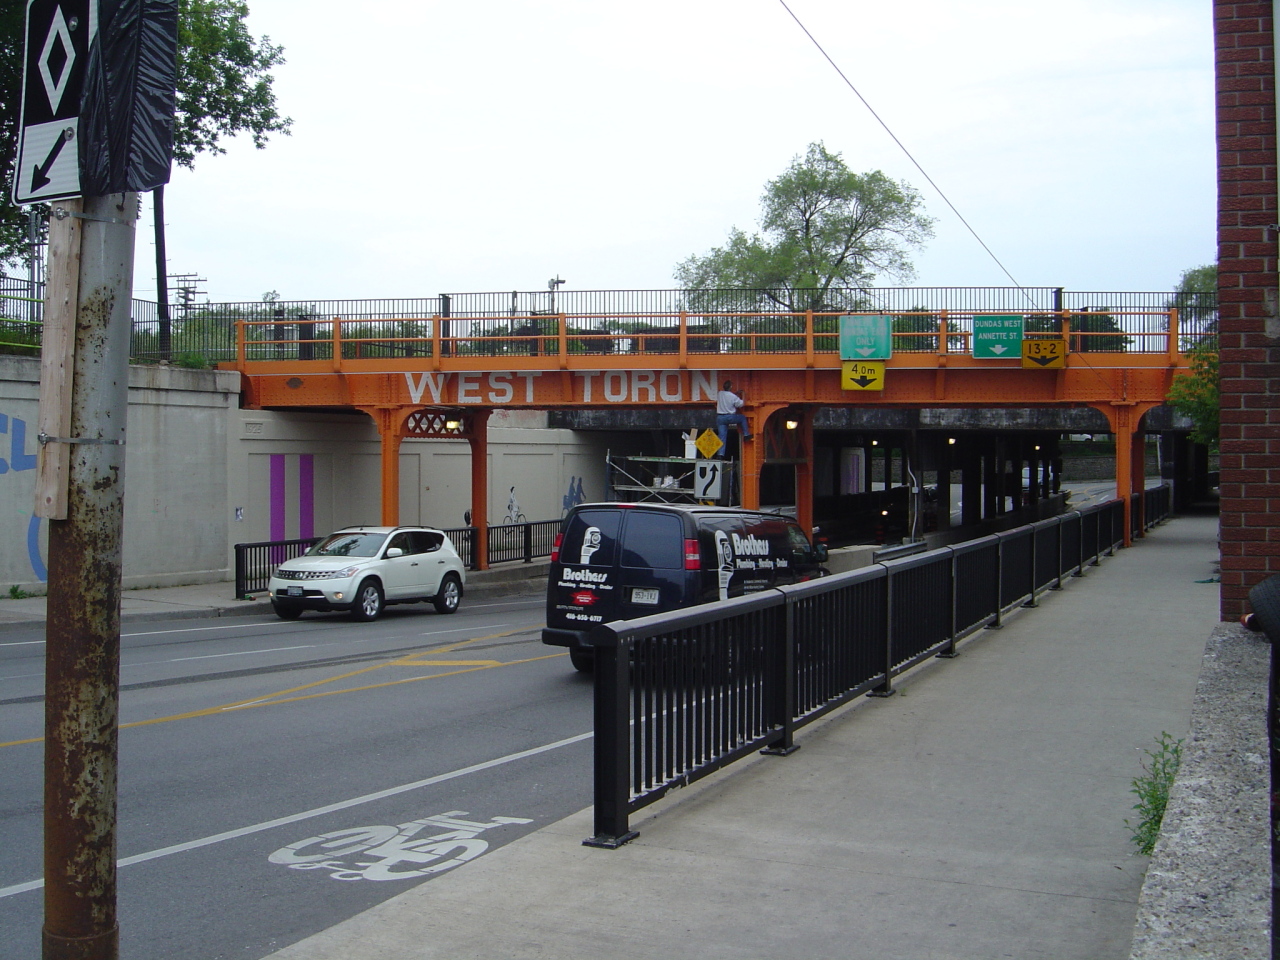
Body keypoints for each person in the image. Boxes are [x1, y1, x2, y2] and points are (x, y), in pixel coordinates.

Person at [715, 380, 753, 449]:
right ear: (731, 387)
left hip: (720, 418)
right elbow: (741, 404)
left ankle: (720, 455)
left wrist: (735, 394)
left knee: (722, 437)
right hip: (730, 417)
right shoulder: (733, 397)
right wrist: (743, 396)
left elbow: (726, 396)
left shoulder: (720, 393)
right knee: (742, 418)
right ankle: (746, 435)